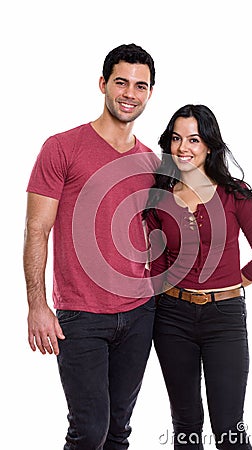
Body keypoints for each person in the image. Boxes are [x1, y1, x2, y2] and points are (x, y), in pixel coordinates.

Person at [23, 43, 159, 450]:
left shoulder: (152, 161)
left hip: (139, 314)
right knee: (89, 432)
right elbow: (36, 229)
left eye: (141, 85)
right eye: (121, 81)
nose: (130, 93)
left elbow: (153, 235)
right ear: (103, 84)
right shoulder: (62, 147)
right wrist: (36, 304)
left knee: (118, 432)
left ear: (150, 93)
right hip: (80, 316)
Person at [144, 104, 252, 450]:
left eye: (193, 139)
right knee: (185, 425)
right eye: (176, 138)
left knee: (229, 429)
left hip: (225, 320)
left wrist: (233, 283)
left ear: (209, 146)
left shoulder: (235, 193)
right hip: (172, 319)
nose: (183, 148)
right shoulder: (160, 198)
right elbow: (157, 267)